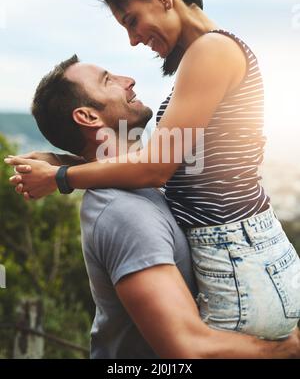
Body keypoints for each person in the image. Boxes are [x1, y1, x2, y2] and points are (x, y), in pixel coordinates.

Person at [6, 0, 300, 338]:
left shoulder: (211, 51)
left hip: (237, 258)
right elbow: (172, 163)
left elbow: (158, 168)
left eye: (132, 20)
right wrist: (64, 159)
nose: (131, 39)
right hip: (238, 256)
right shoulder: (209, 52)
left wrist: (61, 177)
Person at [7, 55, 300, 358]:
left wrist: (62, 164)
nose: (128, 80)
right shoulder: (124, 214)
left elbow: (140, 165)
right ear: (89, 117)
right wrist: (285, 349)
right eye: (108, 80)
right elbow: (187, 348)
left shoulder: (146, 181)